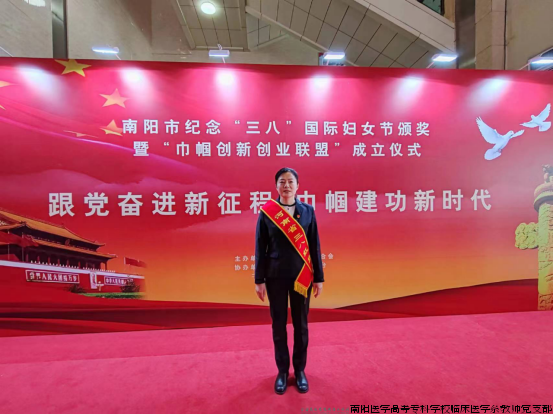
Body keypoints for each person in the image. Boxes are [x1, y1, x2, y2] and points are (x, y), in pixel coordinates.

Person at [254, 167, 325, 395]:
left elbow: (314, 246)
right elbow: (260, 247)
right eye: (282, 182)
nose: (286, 186)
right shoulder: (267, 212)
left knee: (301, 325)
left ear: (297, 186)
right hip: (275, 276)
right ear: (276, 186)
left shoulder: (308, 211)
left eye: (290, 181)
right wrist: (259, 279)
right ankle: (282, 372)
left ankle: (300, 370)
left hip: (301, 277)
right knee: (278, 325)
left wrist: (319, 278)